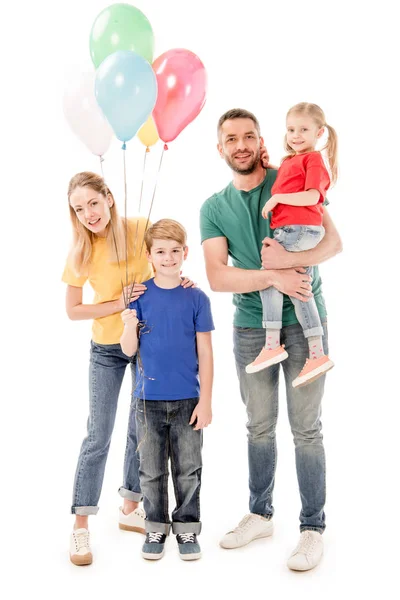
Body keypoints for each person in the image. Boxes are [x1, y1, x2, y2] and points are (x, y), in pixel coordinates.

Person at [200, 108, 342, 571]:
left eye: (248, 136)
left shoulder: (289, 176)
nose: (240, 144)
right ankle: (260, 514)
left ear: (260, 140)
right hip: (250, 328)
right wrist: (274, 275)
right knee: (258, 427)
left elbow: (332, 244)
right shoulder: (214, 208)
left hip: (305, 326)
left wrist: (281, 270)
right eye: (231, 138)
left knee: (307, 429)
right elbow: (219, 278)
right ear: (219, 148)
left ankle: (312, 528)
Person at [63, 173, 194, 566]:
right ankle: (80, 527)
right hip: (106, 348)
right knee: (98, 433)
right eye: (79, 209)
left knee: (141, 430)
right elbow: (72, 311)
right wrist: (116, 303)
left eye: (93, 203)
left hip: (146, 344)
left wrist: (177, 278)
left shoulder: (140, 229)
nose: (88, 214)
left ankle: (129, 507)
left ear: (109, 198)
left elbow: (167, 256)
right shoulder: (80, 251)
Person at [120, 219, 214, 561]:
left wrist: (206, 400)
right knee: (151, 469)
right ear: (149, 255)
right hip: (148, 401)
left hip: (188, 399)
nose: (169, 257)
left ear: (185, 253)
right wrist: (128, 324)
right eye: (161, 251)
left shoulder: (197, 297)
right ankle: (155, 526)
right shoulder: (139, 296)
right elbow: (129, 350)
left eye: (175, 251)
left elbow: (205, 352)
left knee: (189, 468)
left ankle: (187, 525)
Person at [246, 102, 336, 388]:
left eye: (304, 130)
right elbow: (290, 180)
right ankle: (317, 353)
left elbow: (312, 197)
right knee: (298, 288)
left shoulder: (314, 160)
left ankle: (272, 342)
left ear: (319, 133)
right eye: (291, 129)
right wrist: (269, 165)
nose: (296, 135)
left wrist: (277, 199)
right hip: (294, 229)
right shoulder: (291, 161)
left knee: (269, 274)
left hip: (299, 230)